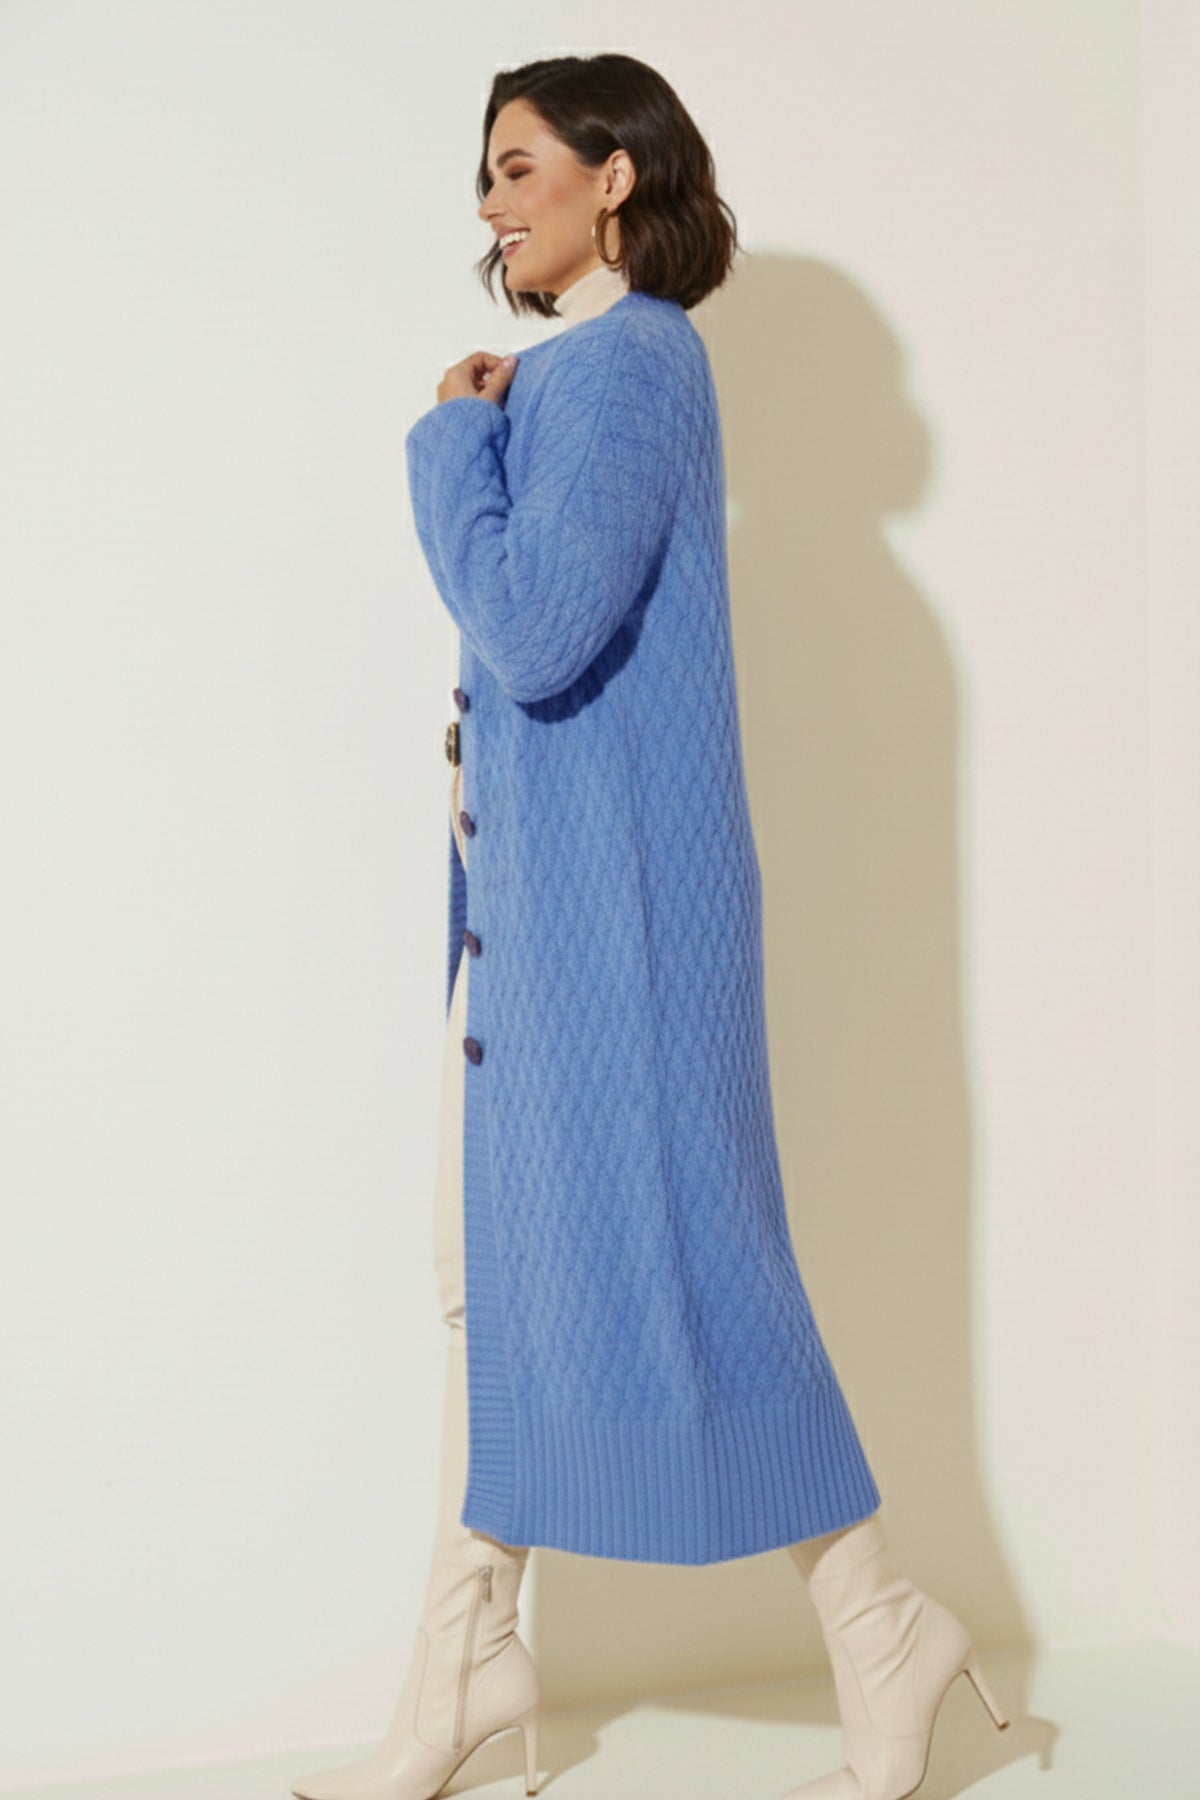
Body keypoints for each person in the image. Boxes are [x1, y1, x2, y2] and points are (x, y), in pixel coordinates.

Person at [292, 51, 1009, 1800]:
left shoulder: (627, 363)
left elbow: (535, 631)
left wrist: (452, 443)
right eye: (485, 175)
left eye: (518, 166)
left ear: (615, 176)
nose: (490, 203)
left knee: (696, 1267)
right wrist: (495, 427)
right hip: (544, 924)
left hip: (617, 930)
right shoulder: (582, 376)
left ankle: (875, 1621)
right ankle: (470, 1664)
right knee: (490, 1284)